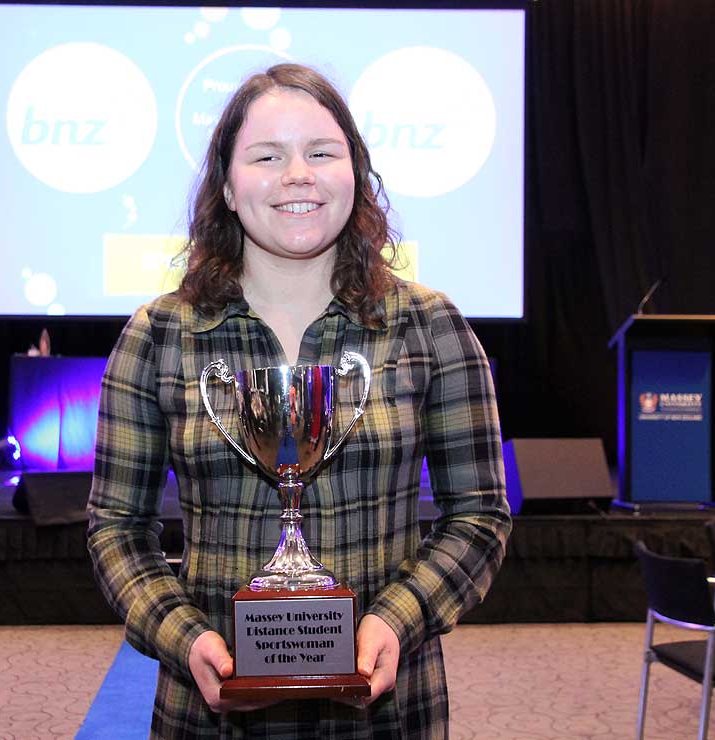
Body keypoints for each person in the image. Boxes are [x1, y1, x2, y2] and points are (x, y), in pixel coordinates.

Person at [88, 63, 511, 738]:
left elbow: (478, 517)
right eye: (266, 156)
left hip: (387, 717)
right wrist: (186, 638)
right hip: (209, 718)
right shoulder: (159, 335)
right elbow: (116, 527)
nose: (297, 176)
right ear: (227, 186)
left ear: (356, 174)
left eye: (321, 152)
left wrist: (395, 620)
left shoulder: (430, 327)